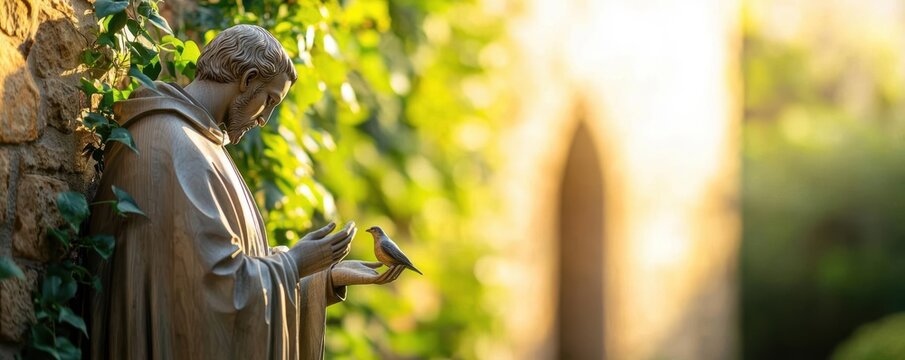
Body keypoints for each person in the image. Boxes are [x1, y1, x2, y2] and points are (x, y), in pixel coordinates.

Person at [87, 24, 405, 359]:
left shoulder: (201, 144)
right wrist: (294, 263)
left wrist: (319, 278)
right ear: (248, 79)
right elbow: (216, 292)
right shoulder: (175, 145)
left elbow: (231, 266)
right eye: (269, 100)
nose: (265, 119)